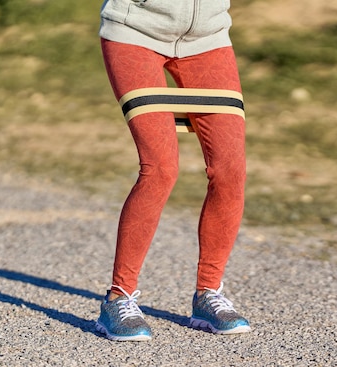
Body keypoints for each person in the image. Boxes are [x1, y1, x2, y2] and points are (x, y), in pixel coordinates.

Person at [94, 0, 250, 341]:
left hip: (208, 38)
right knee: (161, 168)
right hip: (134, 31)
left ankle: (208, 293)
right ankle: (118, 297)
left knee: (230, 170)